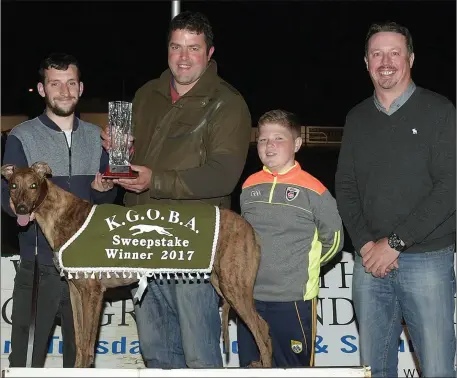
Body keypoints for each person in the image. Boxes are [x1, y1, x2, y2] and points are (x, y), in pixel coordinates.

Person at [102, 11, 252, 368]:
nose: (183, 57)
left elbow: (223, 176)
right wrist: (120, 154)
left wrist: (156, 179)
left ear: (209, 52)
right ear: (167, 49)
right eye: (176, 47)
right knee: (155, 350)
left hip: (193, 241)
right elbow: (138, 157)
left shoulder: (228, 103)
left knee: (198, 351)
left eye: (193, 48)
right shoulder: (145, 94)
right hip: (142, 237)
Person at [335, 22, 456, 378]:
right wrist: (366, 245)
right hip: (369, 262)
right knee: (373, 370)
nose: (385, 61)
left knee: (437, 370)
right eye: (377, 53)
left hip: (427, 261)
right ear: (366, 62)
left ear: (411, 59)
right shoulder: (356, 118)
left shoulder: (440, 111)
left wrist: (396, 243)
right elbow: (345, 187)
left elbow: (450, 187)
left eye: (394, 53)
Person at [1, 53, 117, 367]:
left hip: (84, 261)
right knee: (27, 358)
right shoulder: (22, 136)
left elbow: (106, 200)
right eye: (55, 83)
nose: (64, 91)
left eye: (70, 83)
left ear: (80, 88)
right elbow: (7, 193)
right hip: (40, 262)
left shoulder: (98, 137)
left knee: (78, 354)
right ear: (42, 89)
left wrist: (102, 191)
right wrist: (17, 207)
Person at [237, 109, 344, 367]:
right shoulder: (248, 186)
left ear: (296, 143)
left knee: (291, 371)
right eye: (263, 139)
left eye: (278, 138)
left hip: (292, 300)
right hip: (249, 298)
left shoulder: (315, 190)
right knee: (251, 369)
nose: (269, 145)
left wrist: (301, 270)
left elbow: (335, 241)